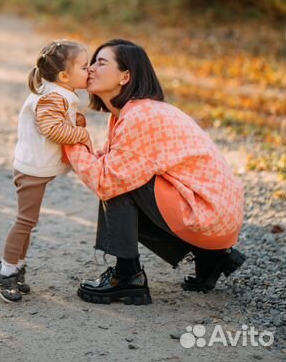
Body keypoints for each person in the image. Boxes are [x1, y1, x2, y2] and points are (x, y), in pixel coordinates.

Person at [64, 39, 246, 305]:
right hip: (216, 217)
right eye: (91, 62)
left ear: (126, 76)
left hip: (207, 213)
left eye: (101, 62)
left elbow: (106, 181)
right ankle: (211, 258)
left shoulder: (141, 116)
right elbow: (110, 163)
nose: (90, 68)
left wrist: (68, 137)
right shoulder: (130, 112)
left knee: (118, 182)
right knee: (121, 173)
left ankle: (128, 277)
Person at [0, 40, 91, 303]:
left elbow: (60, 121)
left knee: (29, 221)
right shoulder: (53, 96)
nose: (89, 71)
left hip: (36, 167)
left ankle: (17, 266)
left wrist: (76, 120)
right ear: (64, 75)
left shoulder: (59, 91)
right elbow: (52, 129)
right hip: (32, 169)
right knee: (25, 221)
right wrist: (82, 133)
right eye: (85, 66)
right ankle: (5, 270)